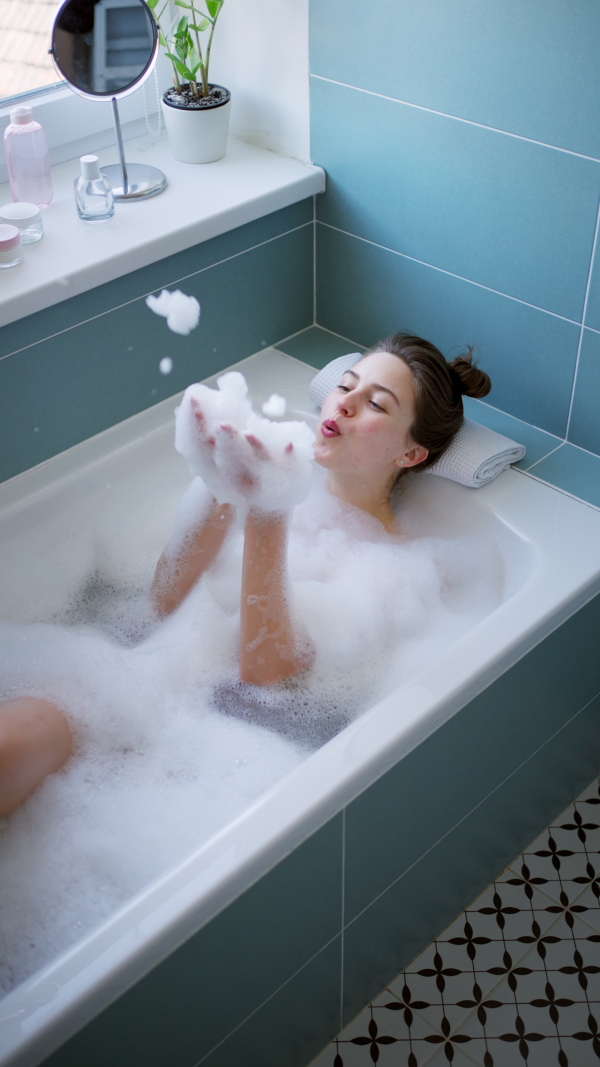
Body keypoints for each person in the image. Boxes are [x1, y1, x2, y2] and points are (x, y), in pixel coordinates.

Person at [0, 333, 491, 817]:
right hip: (132, 687)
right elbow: (162, 601)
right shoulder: (273, 467)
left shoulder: (397, 568)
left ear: (410, 455)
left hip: (212, 750)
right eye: (345, 386)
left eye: (376, 405)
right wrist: (216, 479)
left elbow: (264, 671)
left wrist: (268, 508)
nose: (343, 405)